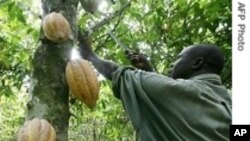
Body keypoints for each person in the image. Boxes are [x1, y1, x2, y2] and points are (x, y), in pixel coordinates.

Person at [78, 32, 232, 141]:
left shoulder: (179, 91)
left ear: (197, 63)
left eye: (178, 58)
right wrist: (150, 72)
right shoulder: (230, 103)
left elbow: (118, 73)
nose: (173, 63)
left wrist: (90, 55)